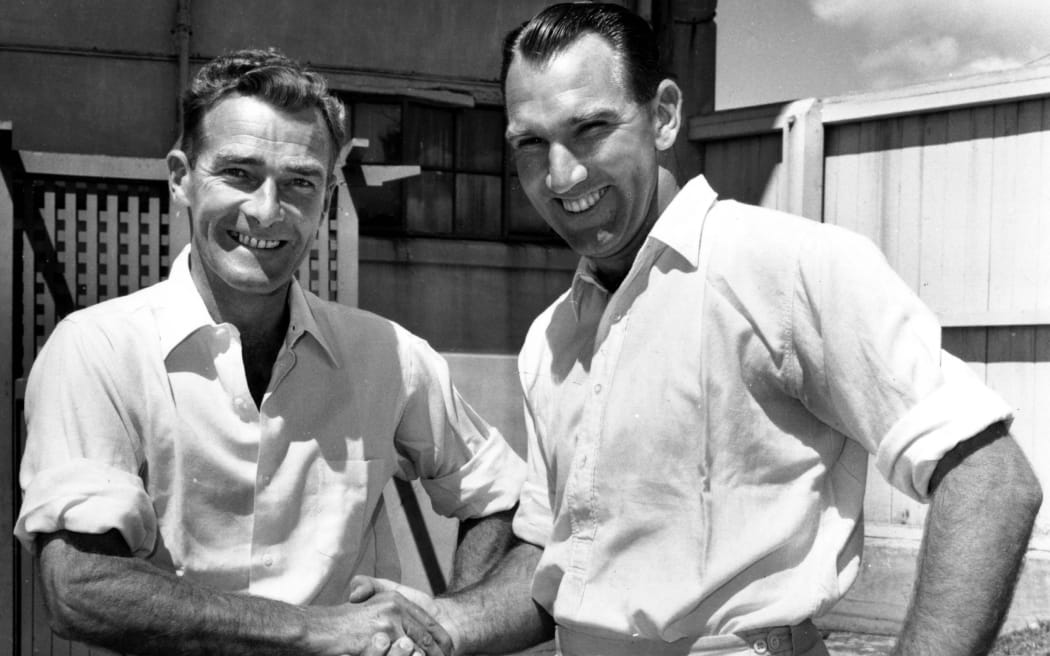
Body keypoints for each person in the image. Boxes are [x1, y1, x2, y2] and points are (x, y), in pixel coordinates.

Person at [497, 3, 1043, 655]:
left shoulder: (786, 266)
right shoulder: (550, 339)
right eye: (531, 143)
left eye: (590, 128)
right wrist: (432, 624)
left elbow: (991, 480)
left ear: (664, 115)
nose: (561, 176)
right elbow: (547, 561)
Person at [14, 48, 531, 656]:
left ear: (329, 193)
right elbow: (79, 588)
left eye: (299, 182)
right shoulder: (100, 350)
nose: (266, 209)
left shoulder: (387, 355)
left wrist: (448, 627)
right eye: (238, 173)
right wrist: (315, 630)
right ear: (181, 177)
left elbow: (505, 498)